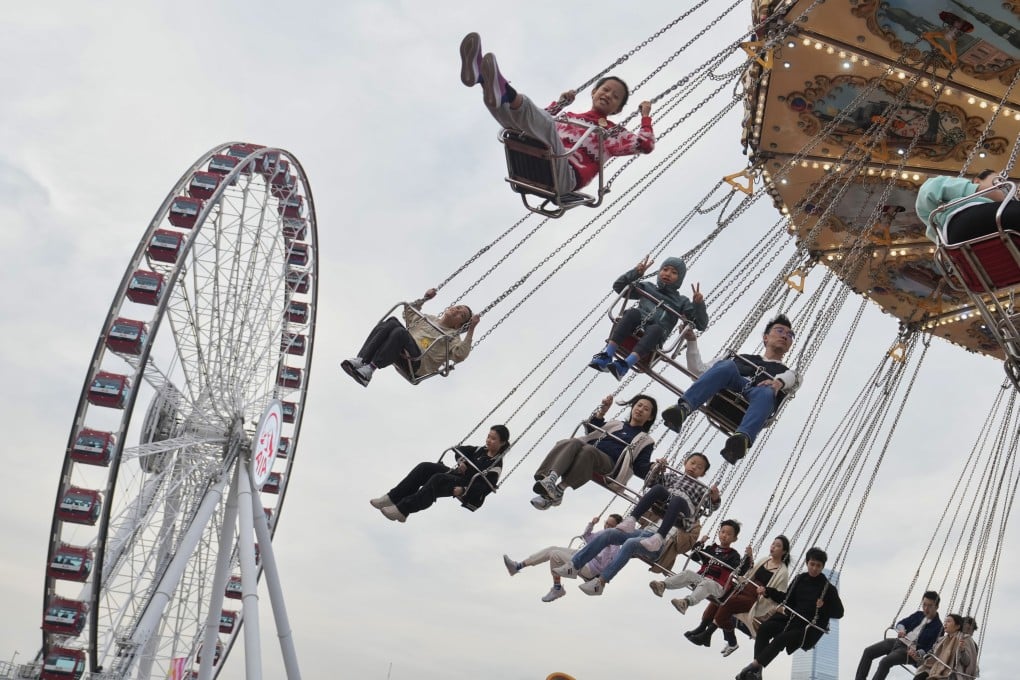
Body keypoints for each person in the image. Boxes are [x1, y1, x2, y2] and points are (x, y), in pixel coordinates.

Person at [459, 32, 654, 195]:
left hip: (565, 175)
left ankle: (498, 86)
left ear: (618, 109)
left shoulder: (613, 134)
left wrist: (645, 116)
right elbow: (533, 120)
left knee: (545, 124)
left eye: (616, 97)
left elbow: (645, 145)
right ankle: (481, 78)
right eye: (605, 89)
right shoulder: (569, 118)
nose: (609, 95)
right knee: (513, 120)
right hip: (535, 160)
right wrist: (560, 105)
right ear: (594, 92)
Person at [660, 314, 801, 465]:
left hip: (753, 403)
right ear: (766, 337)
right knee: (727, 365)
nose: (785, 336)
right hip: (725, 394)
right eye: (780, 330)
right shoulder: (739, 358)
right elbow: (699, 372)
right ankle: (683, 408)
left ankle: (742, 439)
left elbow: (793, 378)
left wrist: (778, 382)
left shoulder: (786, 373)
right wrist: (692, 342)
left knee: (767, 391)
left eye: (790, 334)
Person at [588, 255, 709, 380]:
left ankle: (625, 365)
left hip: (655, 336)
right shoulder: (648, 287)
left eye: (674, 272)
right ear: (659, 271)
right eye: (665, 269)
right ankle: (607, 355)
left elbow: (701, 324)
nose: (668, 274)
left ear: (680, 279)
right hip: (635, 326)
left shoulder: (681, 302)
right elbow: (619, 286)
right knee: (632, 313)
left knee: (656, 329)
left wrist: (698, 305)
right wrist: (636, 273)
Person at [531, 394, 657, 510]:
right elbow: (592, 430)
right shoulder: (616, 424)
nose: (640, 409)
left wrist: (654, 466)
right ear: (633, 407)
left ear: (650, 417)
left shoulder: (645, 440)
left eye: (646, 409)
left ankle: (560, 488)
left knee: (588, 451)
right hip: (590, 450)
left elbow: (640, 467)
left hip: (611, 465)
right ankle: (550, 479)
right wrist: (602, 412)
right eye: (639, 405)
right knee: (572, 442)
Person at [736, 547, 844, 680]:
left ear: (822, 567)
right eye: (812, 564)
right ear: (807, 563)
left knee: (781, 638)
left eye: (818, 565)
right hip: (790, 618)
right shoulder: (800, 579)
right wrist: (768, 591)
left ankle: (752, 667)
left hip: (805, 627)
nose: (814, 568)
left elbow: (839, 612)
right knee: (764, 629)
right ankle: (757, 672)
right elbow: (787, 598)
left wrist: (823, 606)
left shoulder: (828, 588)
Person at [341, 288, 480, 386]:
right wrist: (425, 298)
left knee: (400, 333)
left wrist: (471, 329)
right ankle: (362, 360)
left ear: (458, 326)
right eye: (458, 307)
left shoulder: (453, 337)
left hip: (417, 363)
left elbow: (460, 355)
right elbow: (408, 312)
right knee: (392, 322)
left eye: (461, 315)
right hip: (402, 347)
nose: (456, 310)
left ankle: (370, 369)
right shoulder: (429, 319)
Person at [369, 425, 509, 522]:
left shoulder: (495, 466)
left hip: (465, 487)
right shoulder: (480, 450)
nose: (488, 440)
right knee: (425, 468)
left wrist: (463, 489)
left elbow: (483, 488)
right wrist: (462, 462)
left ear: (502, 443)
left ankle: (402, 509)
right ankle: (392, 498)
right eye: (488, 436)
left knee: (437, 479)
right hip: (456, 475)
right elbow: (460, 450)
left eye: (493, 439)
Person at [685, 535, 791, 656]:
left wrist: (766, 591)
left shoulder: (783, 572)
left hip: (755, 599)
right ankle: (702, 627)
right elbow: (749, 572)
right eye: (773, 544)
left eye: (778, 546)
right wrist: (750, 557)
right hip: (743, 588)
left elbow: (781, 595)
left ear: (784, 552)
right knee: (721, 597)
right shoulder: (765, 560)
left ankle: (708, 633)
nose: (773, 547)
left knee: (728, 603)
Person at [502, 514, 623, 603]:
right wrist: (591, 524)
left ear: (617, 527)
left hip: (590, 569)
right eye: (606, 523)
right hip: (584, 556)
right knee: (552, 549)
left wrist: (604, 548)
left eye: (610, 525)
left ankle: (557, 588)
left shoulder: (615, 543)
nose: (607, 526)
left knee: (555, 554)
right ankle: (517, 566)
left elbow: (605, 565)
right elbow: (586, 537)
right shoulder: (603, 533)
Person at [616, 452, 720, 554]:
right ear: (685, 462)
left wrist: (715, 498)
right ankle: (631, 520)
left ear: (702, 473)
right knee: (658, 488)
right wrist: (656, 469)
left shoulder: (702, 489)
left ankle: (658, 538)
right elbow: (650, 483)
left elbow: (712, 507)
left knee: (677, 499)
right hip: (666, 501)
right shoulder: (672, 477)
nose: (694, 467)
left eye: (699, 467)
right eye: (692, 463)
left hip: (684, 510)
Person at [648, 519, 742, 614]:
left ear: (734, 539)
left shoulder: (734, 555)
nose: (724, 535)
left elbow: (740, 570)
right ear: (719, 532)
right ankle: (663, 585)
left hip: (718, 585)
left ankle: (686, 603)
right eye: (723, 532)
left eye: (729, 534)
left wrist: (749, 558)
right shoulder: (711, 549)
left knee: (707, 583)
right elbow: (694, 557)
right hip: (702, 577)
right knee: (688, 573)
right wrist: (700, 543)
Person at [854, 591, 943, 680]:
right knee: (868, 651)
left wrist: (918, 653)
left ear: (937, 607)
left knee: (885, 662)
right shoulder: (918, 615)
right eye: (924, 605)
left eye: (930, 606)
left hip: (909, 650)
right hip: (899, 641)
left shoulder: (939, 627)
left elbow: (933, 648)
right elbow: (902, 623)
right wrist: (902, 630)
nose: (926, 608)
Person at [916, 169, 1020, 245]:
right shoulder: (959, 188)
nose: (1004, 189)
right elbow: (929, 189)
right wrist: (975, 190)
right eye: (998, 182)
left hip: (958, 241)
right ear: (977, 181)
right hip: (968, 217)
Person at [913, 613, 980, 680]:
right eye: (966, 628)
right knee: (919, 677)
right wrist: (919, 654)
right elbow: (931, 653)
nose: (967, 631)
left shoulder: (967, 641)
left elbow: (968, 663)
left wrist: (962, 650)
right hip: (937, 668)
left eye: (970, 629)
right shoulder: (942, 640)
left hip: (954, 672)